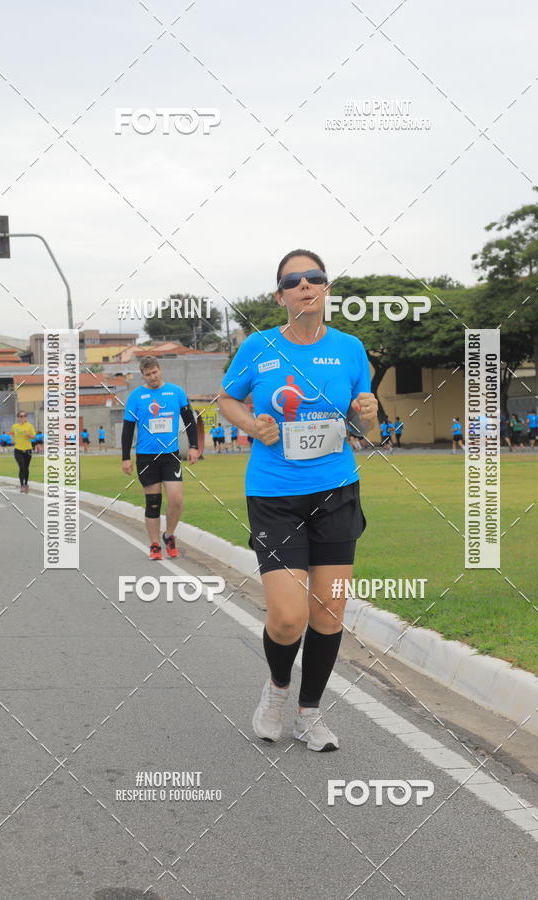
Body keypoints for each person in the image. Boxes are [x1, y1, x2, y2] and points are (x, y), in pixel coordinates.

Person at [219, 248, 377, 752]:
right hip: (275, 494)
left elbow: (364, 426)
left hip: (335, 490)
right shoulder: (258, 346)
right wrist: (251, 425)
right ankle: (277, 690)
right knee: (287, 617)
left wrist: (369, 413)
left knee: (329, 613)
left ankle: (310, 713)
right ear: (280, 295)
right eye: (294, 281)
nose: (306, 286)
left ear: (326, 288)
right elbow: (225, 399)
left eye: (315, 278)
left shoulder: (351, 348)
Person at [121, 356, 200, 560]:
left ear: (160, 370)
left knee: (176, 499)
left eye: (154, 372)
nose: (152, 377)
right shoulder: (136, 396)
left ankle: (169, 535)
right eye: (148, 375)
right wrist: (125, 457)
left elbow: (189, 421)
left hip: (170, 454)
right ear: (143, 375)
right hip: (146, 457)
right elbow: (128, 429)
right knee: (153, 501)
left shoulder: (176, 392)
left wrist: (193, 446)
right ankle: (155, 544)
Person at [10, 411, 36, 493]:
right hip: (18, 449)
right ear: (18, 417)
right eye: (21, 416)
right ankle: (22, 485)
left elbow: (34, 437)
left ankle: (26, 483)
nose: (23, 417)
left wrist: (28, 435)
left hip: (28, 449)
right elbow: (13, 434)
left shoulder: (29, 426)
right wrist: (13, 440)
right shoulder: (14, 426)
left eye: (24, 416)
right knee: (22, 467)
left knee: (26, 468)